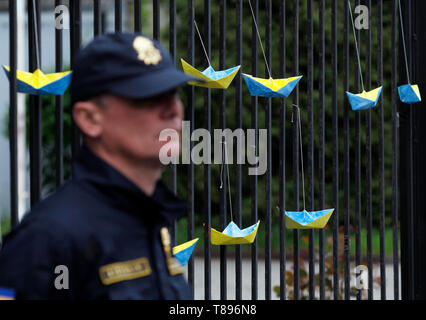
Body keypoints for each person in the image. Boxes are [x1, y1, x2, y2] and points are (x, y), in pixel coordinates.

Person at [0, 33, 199, 300]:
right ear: (90, 119)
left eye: (173, 93)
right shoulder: (48, 239)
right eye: (148, 97)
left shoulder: (150, 219)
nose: (173, 110)